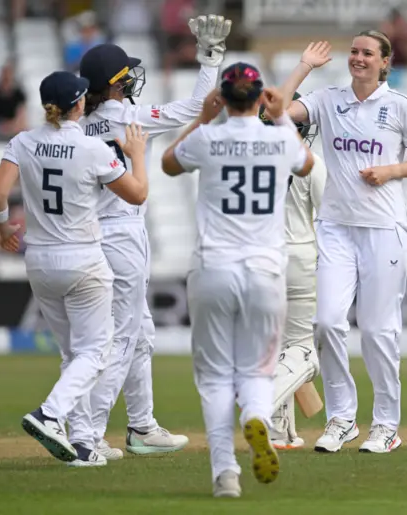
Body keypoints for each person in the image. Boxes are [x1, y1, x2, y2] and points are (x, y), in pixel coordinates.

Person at [72, 14, 232, 461]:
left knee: (139, 334)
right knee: (122, 337)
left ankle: (141, 426)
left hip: (88, 233)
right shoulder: (131, 120)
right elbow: (200, 106)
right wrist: (209, 59)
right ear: (118, 84)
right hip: (121, 236)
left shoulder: (78, 125)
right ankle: (89, 433)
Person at [161, 64, 315, 497]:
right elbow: (307, 165)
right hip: (265, 270)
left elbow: (169, 163)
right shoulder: (279, 138)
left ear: (224, 97)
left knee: (213, 376)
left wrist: (203, 118)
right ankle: (258, 419)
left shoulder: (208, 138)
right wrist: (282, 115)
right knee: (258, 371)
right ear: (259, 96)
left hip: (213, 268)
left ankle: (223, 472)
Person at [0, 70, 149, 466]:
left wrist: (4, 226)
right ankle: (49, 414)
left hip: (39, 260)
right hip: (83, 259)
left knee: (72, 354)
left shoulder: (23, 141)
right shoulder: (92, 147)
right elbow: (138, 193)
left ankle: (81, 444)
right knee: (95, 351)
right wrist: (138, 155)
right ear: (79, 104)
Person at [282, 31, 407, 453]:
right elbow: (274, 110)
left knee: (376, 331)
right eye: (353, 51)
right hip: (334, 226)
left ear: (385, 62)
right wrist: (304, 66)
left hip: (384, 230)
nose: (358, 58)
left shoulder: (400, 106)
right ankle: (341, 418)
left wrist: (391, 171)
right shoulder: (327, 99)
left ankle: (386, 425)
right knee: (327, 322)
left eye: (367, 53)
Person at [257, 92, 327, 450]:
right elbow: (326, 212)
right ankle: (262, 405)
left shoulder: (250, 156)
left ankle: (280, 432)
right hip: (299, 255)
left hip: (259, 259)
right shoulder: (309, 161)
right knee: (304, 353)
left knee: (276, 348)